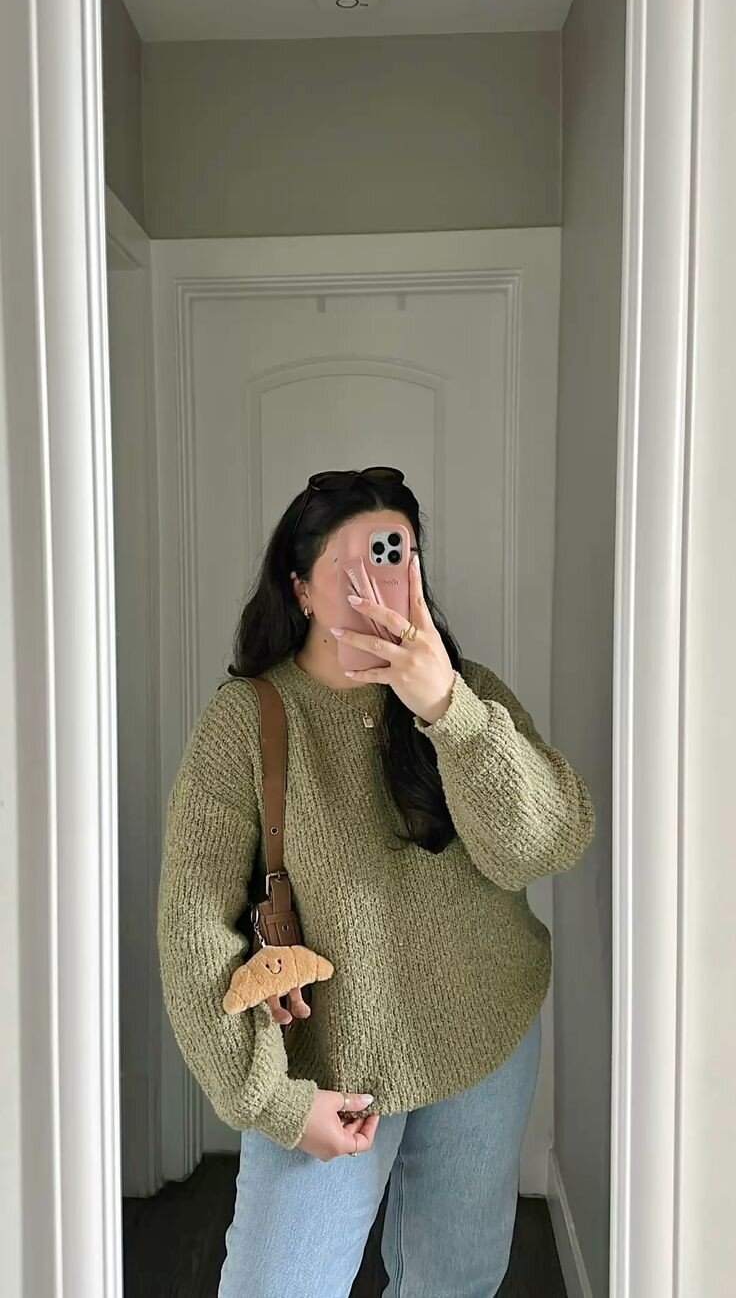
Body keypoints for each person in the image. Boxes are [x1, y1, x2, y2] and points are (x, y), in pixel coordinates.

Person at [157, 466, 596, 1298]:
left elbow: (545, 844)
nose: (379, 580)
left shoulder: (466, 692)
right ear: (300, 587)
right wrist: (273, 1101)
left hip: (482, 1039)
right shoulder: (246, 720)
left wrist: (447, 710)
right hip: (328, 1065)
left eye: (397, 554)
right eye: (355, 560)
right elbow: (193, 926)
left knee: (455, 1281)